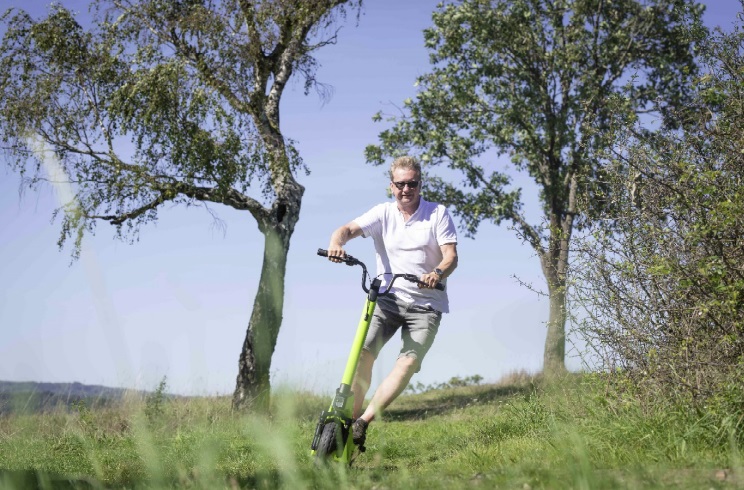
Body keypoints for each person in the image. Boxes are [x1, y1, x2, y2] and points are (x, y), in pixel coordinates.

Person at [326, 155, 458, 449]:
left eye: (412, 184)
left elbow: (451, 257)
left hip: (427, 304)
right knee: (362, 355)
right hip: (388, 298)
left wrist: (437, 273)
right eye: (401, 184)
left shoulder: (437, 213)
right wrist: (337, 243)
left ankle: (363, 421)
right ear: (391, 186)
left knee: (407, 363)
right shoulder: (382, 213)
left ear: (420, 184)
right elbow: (346, 229)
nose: (406, 189)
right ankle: (349, 419)